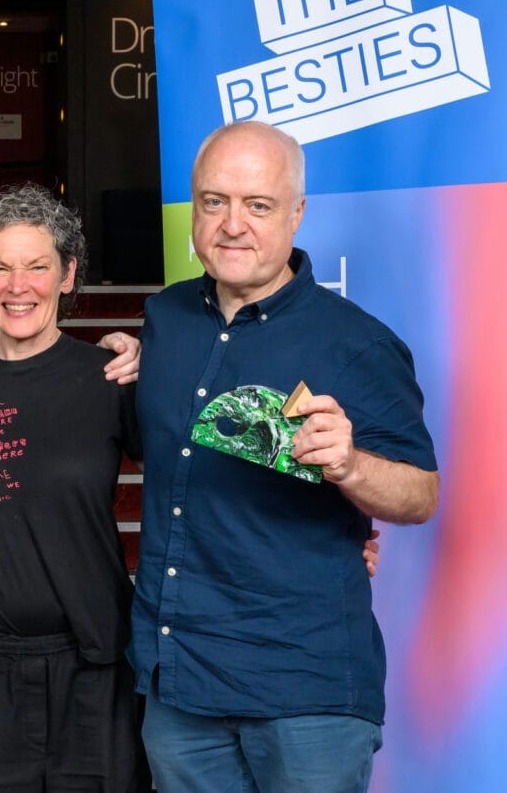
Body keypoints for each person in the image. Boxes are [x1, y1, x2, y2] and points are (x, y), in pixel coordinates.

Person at [130, 120, 439, 792]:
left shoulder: (356, 344)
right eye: (214, 201)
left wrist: (351, 467)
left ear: (296, 213)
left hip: (305, 693)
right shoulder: (165, 319)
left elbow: (420, 494)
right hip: (181, 686)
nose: (232, 224)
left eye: (258, 205)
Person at [0, 184, 144, 792]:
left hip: (93, 662)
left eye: (37, 267)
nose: (17, 286)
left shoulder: (110, 376)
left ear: (68, 274)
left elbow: (192, 481)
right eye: (0, 267)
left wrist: (331, 533)